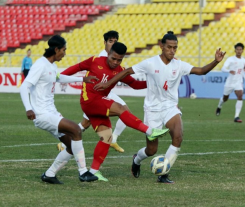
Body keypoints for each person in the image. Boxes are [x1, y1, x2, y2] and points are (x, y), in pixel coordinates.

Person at [94, 31, 226, 183]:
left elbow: (201, 70)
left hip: (170, 107)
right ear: (161, 46)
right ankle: (137, 159)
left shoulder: (179, 65)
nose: (172, 50)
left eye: (175, 48)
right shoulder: (150, 63)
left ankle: (164, 173)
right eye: (169, 47)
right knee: (152, 150)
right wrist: (108, 83)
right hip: (152, 110)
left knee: (178, 137)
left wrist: (216, 61)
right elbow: (127, 71)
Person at [61, 42, 169, 182]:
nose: (115, 62)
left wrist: (153, 82)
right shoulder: (95, 61)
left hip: (99, 102)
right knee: (120, 108)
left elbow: (135, 85)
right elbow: (76, 68)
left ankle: (93, 172)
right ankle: (149, 131)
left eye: (119, 60)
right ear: (108, 53)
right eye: (113, 58)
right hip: (89, 101)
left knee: (107, 137)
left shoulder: (120, 70)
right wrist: (59, 76)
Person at [19, 35, 99, 184]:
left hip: (52, 112)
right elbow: (24, 86)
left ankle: (49, 174)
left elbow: (59, 78)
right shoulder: (40, 65)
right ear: (56, 49)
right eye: (63, 50)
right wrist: (28, 108)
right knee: (76, 129)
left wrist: (83, 79)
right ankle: (83, 172)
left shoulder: (51, 65)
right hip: (41, 114)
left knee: (70, 145)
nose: (65, 53)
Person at [57, 30, 129, 153]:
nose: (112, 44)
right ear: (105, 43)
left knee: (87, 123)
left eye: (115, 41)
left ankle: (113, 139)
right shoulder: (101, 57)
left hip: (104, 93)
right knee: (88, 122)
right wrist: (60, 76)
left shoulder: (114, 57)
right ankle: (64, 143)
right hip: (94, 94)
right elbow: (79, 67)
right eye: (110, 41)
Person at [216, 43, 245, 123]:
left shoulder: (243, 60)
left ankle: (236, 116)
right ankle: (219, 106)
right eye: (237, 49)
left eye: (240, 49)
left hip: (238, 82)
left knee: (240, 95)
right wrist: (229, 71)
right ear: (235, 50)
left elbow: (241, 70)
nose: (239, 51)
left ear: (242, 51)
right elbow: (223, 68)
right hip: (230, 82)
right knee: (225, 98)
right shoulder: (230, 59)